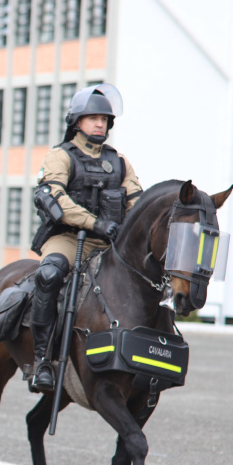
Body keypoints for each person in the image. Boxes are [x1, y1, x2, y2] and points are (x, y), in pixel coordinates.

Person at [27, 83, 143, 391]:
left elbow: (137, 204)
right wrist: (96, 223)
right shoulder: (60, 156)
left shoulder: (120, 162)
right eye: (93, 118)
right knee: (49, 275)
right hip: (68, 239)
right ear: (77, 121)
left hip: (109, 244)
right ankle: (42, 360)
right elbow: (54, 199)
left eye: (104, 119)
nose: (100, 124)